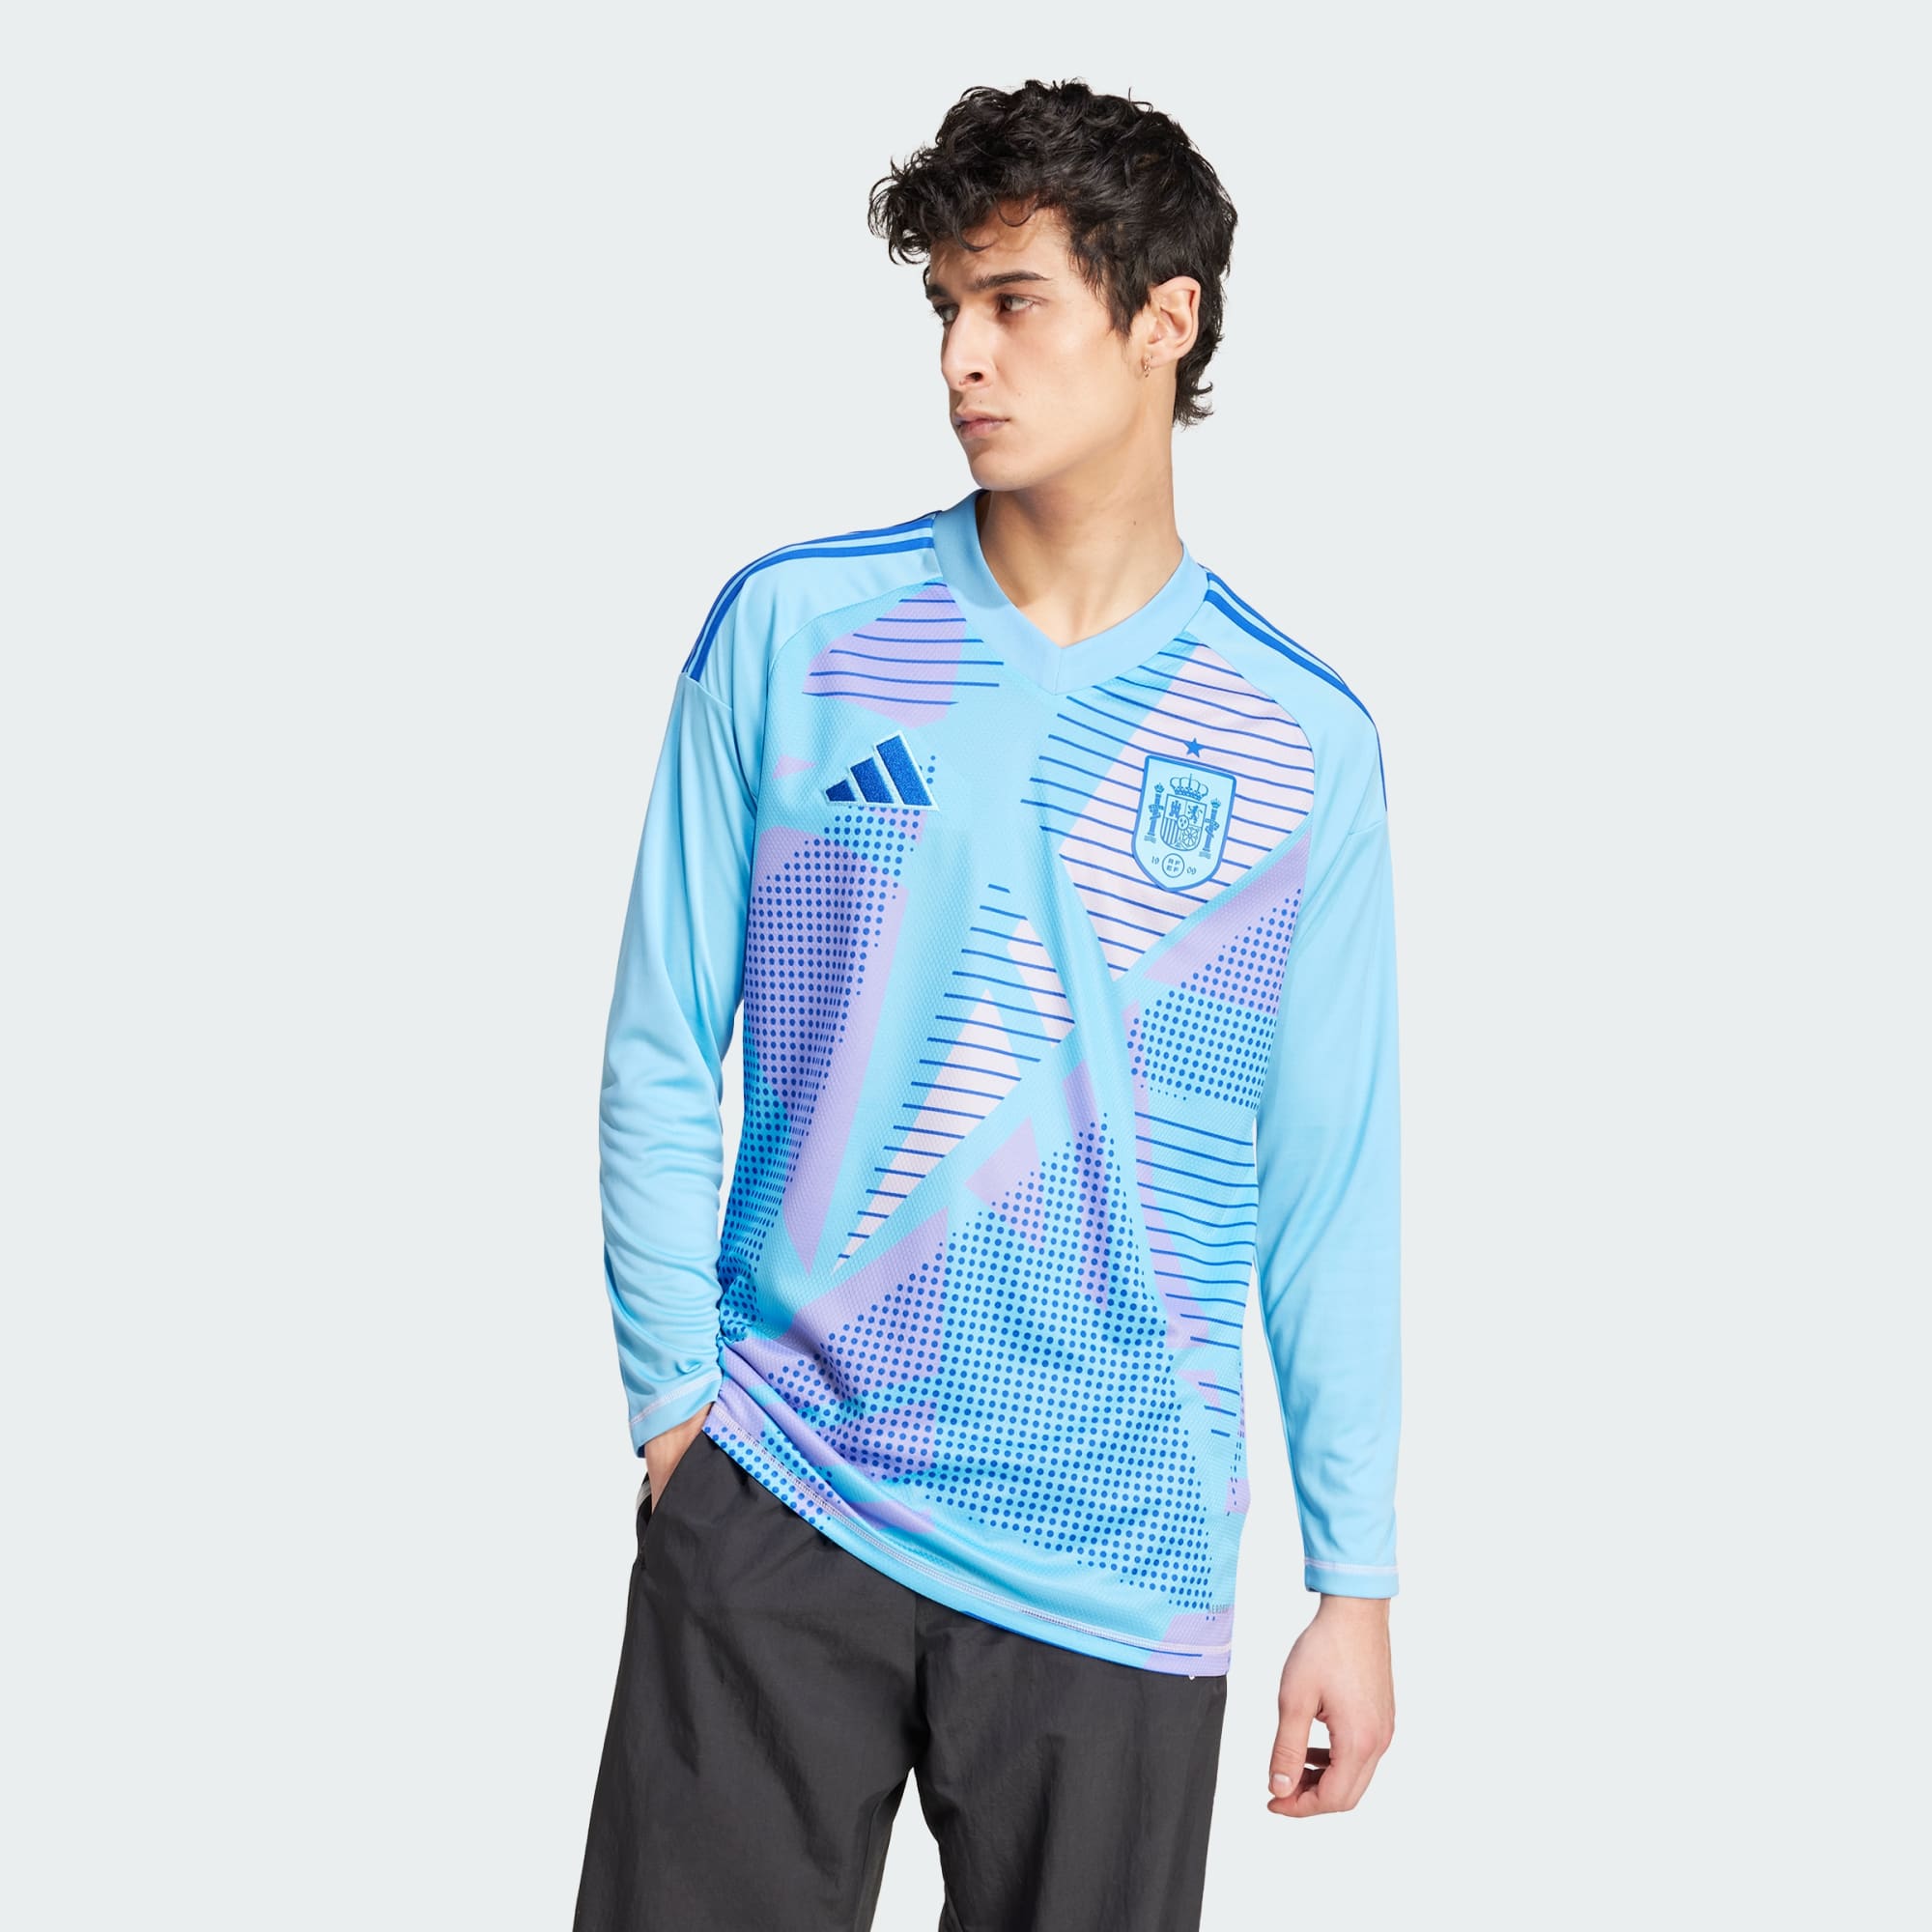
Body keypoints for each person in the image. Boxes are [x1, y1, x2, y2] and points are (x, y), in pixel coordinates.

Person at [573, 76, 1401, 1932]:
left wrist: (1353, 1581)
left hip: (1116, 1556)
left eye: (1013, 301)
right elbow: (659, 1043)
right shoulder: (794, 634)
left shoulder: (1301, 743)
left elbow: (1329, 1183)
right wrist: (677, 1415)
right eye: (947, 306)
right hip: (781, 1489)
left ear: (1164, 317)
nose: (961, 355)